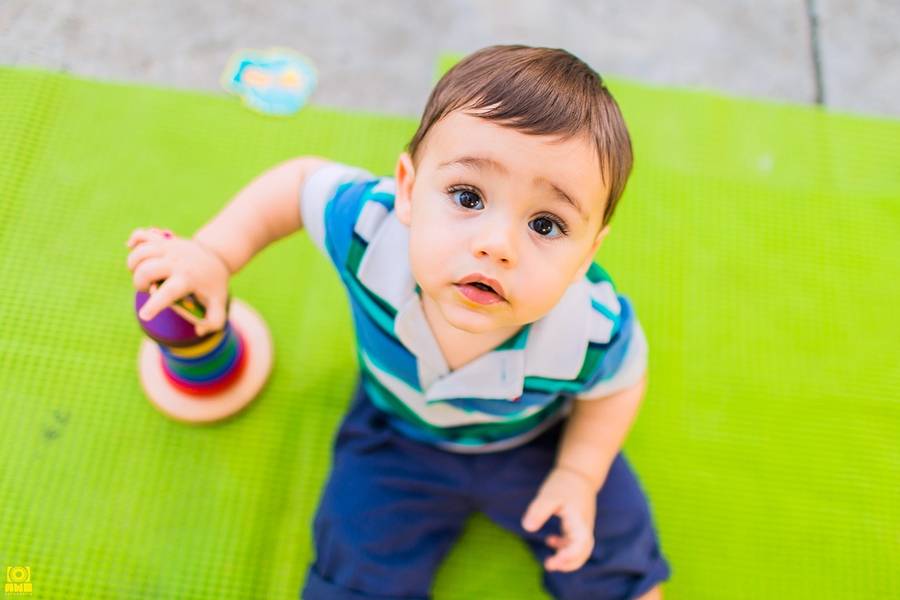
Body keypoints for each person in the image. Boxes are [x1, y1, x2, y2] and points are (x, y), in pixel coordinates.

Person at [126, 44, 671, 600]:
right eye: (467, 195)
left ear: (587, 253)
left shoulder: (591, 329)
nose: (496, 245)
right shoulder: (372, 232)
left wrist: (579, 473)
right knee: (358, 555)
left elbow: (620, 384)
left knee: (612, 549)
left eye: (548, 225)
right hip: (397, 433)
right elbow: (297, 184)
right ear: (408, 190)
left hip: (536, 442)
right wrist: (216, 255)